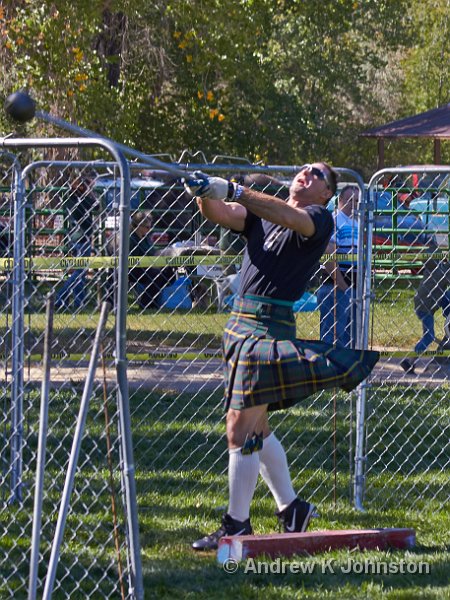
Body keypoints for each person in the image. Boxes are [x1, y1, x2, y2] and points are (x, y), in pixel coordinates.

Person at [183, 164, 379, 551]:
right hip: (240, 322)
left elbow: (288, 216)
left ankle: (237, 525)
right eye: (305, 168)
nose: (307, 172)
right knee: (257, 426)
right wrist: (204, 191)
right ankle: (292, 509)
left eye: (318, 174)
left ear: (326, 194)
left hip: (269, 327)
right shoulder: (261, 212)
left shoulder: (318, 218)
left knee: (239, 426)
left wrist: (232, 187)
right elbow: (220, 213)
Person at [317, 185, 359, 348]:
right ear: (340, 200)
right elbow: (328, 255)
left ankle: (345, 373)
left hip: (352, 288)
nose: (354, 204)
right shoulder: (334, 220)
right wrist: (342, 285)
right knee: (333, 341)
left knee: (349, 340)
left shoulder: (356, 223)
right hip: (335, 288)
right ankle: (328, 372)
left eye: (357, 201)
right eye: (350, 200)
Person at [400, 253, 450, 374]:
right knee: (429, 336)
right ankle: (409, 361)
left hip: (424, 302)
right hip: (425, 306)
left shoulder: (437, 268)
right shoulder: (445, 272)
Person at [56, 177, 96, 310]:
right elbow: (96, 204)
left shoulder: (70, 201)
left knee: (80, 273)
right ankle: (60, 297)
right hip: (81, 239)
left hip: (75, 238)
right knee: (80, 272)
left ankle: (78, 302)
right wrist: (90, 193)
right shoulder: (83, 201)